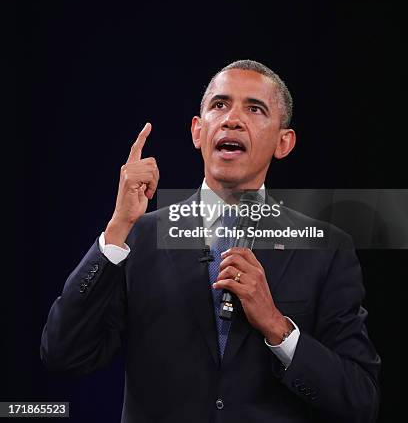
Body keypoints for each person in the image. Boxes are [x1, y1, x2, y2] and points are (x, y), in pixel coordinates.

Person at [41, 59, 381, 422]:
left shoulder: (326, 248)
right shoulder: (138, 236)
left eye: (254, 108)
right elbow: (64, 354)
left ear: (284, 142)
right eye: (219, 105)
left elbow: (360, 400)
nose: (232, 119)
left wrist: (276, 327)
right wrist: (117, 228)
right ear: (198, 132)